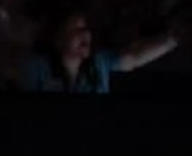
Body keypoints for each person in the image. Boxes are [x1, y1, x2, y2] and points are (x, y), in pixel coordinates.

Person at [18, 8, 174, 94]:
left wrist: (174, 39)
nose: (86, 34)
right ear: (58, 38)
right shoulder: (36, 66)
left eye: (86, 29)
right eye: (77, 30)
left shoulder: (99, 62)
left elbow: (133, 57)